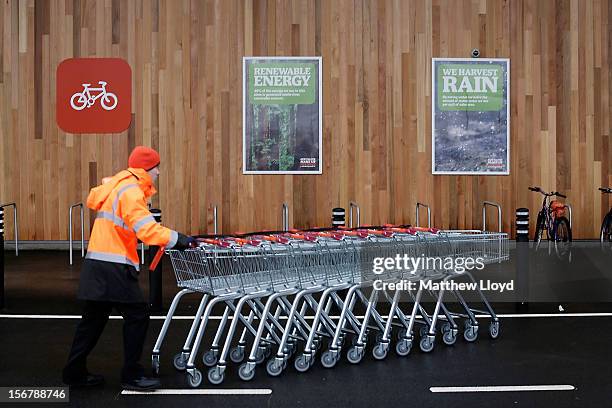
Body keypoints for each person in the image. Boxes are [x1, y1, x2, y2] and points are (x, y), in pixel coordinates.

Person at [62, 146, 195, 390]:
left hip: (97, 263)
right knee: (137, 315)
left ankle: (74, 371)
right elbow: (147, 230)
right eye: (157, 168)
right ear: (147, 168)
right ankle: (132, 374)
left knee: (92, 320)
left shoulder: (116, 186)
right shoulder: (131, 192)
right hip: (115, 266)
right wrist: (179, 239)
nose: (158, 173)